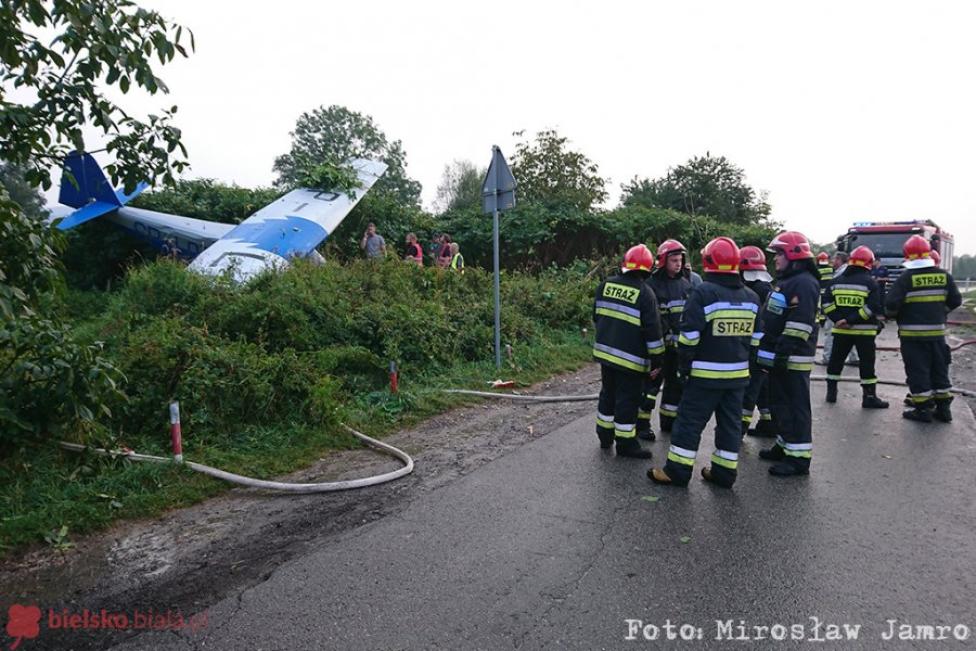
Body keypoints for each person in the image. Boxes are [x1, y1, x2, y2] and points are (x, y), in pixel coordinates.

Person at [648, 237, 760, 488]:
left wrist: (684, 369)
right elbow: (756, 341)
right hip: (737, 379)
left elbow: (688, 338)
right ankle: (724, 473)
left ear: (708, 262)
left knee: (688, 423)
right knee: (730, 427)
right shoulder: (752, 298)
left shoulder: (703, 293)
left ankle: (677, 471)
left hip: (703, 377)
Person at [756, 231, 820, 477]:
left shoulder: (804, 282)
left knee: (795, 406)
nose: (775, 259)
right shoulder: (787, 281)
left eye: (779, 254)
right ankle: (785, 445)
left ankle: (799, 459)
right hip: (779, 355)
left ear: (794, 255)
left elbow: (800, 323)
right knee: (780, 403)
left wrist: (783, 352)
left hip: (792, 356)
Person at [593, 244, 665, 458]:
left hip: (606, 355)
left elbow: (596, 317)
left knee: (607, 393)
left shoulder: (605, 285)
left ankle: (604, 436)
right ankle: (625, 444)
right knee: (627, 400)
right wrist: (658, 361)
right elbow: (653, 331)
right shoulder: (645, 293)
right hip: (631, 360)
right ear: (647, 269)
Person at [885, 235, 962, 423]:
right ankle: (944, 410)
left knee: (918, 372)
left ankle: (923, 410)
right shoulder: (944, 276)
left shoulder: (906, 278)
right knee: (939, 370)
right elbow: (956, 301)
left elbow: (890, 305)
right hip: (937, 335)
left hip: (912, 336)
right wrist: (938, 312)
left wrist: (897, 315)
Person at [821, 245, 888, 408]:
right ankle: (869, 397)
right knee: (867, 364)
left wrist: (838, 319)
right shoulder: (871, 283)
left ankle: (831, 394)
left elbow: (826, 303)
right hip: (864, 333)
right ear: (869, 263)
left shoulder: (835, 281)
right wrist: (852, 319)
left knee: (835, 362)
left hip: (840, 330)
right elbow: (872, 308)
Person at [640, 240, 693, 439]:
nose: (678, 264)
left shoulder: (686, 284)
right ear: (663, 261)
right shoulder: (651, 285)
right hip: (657, 349)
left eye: (680, 260)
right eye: (673, 260)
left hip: (677, 350)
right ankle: (642, 425)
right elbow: (653, 322)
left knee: (674, 388)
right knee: (650, 388)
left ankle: (669, 422)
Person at [738, 245, 775, 437]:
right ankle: (768, 423)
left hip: (755, 347)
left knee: (749, 390)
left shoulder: (752, 290)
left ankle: (739, 428)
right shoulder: (767, 288)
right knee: (763, 387)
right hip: (767, 347)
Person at [820, 251, 859, 366]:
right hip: (849, 309)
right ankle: (854, 357)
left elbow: (831, 293)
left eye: (834, 260)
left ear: (839, 260)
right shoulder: (849, 272)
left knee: (830, 333)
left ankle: (827, 358)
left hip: (836, 310)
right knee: (850, 334)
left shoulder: (839, 274)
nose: (832, 262)